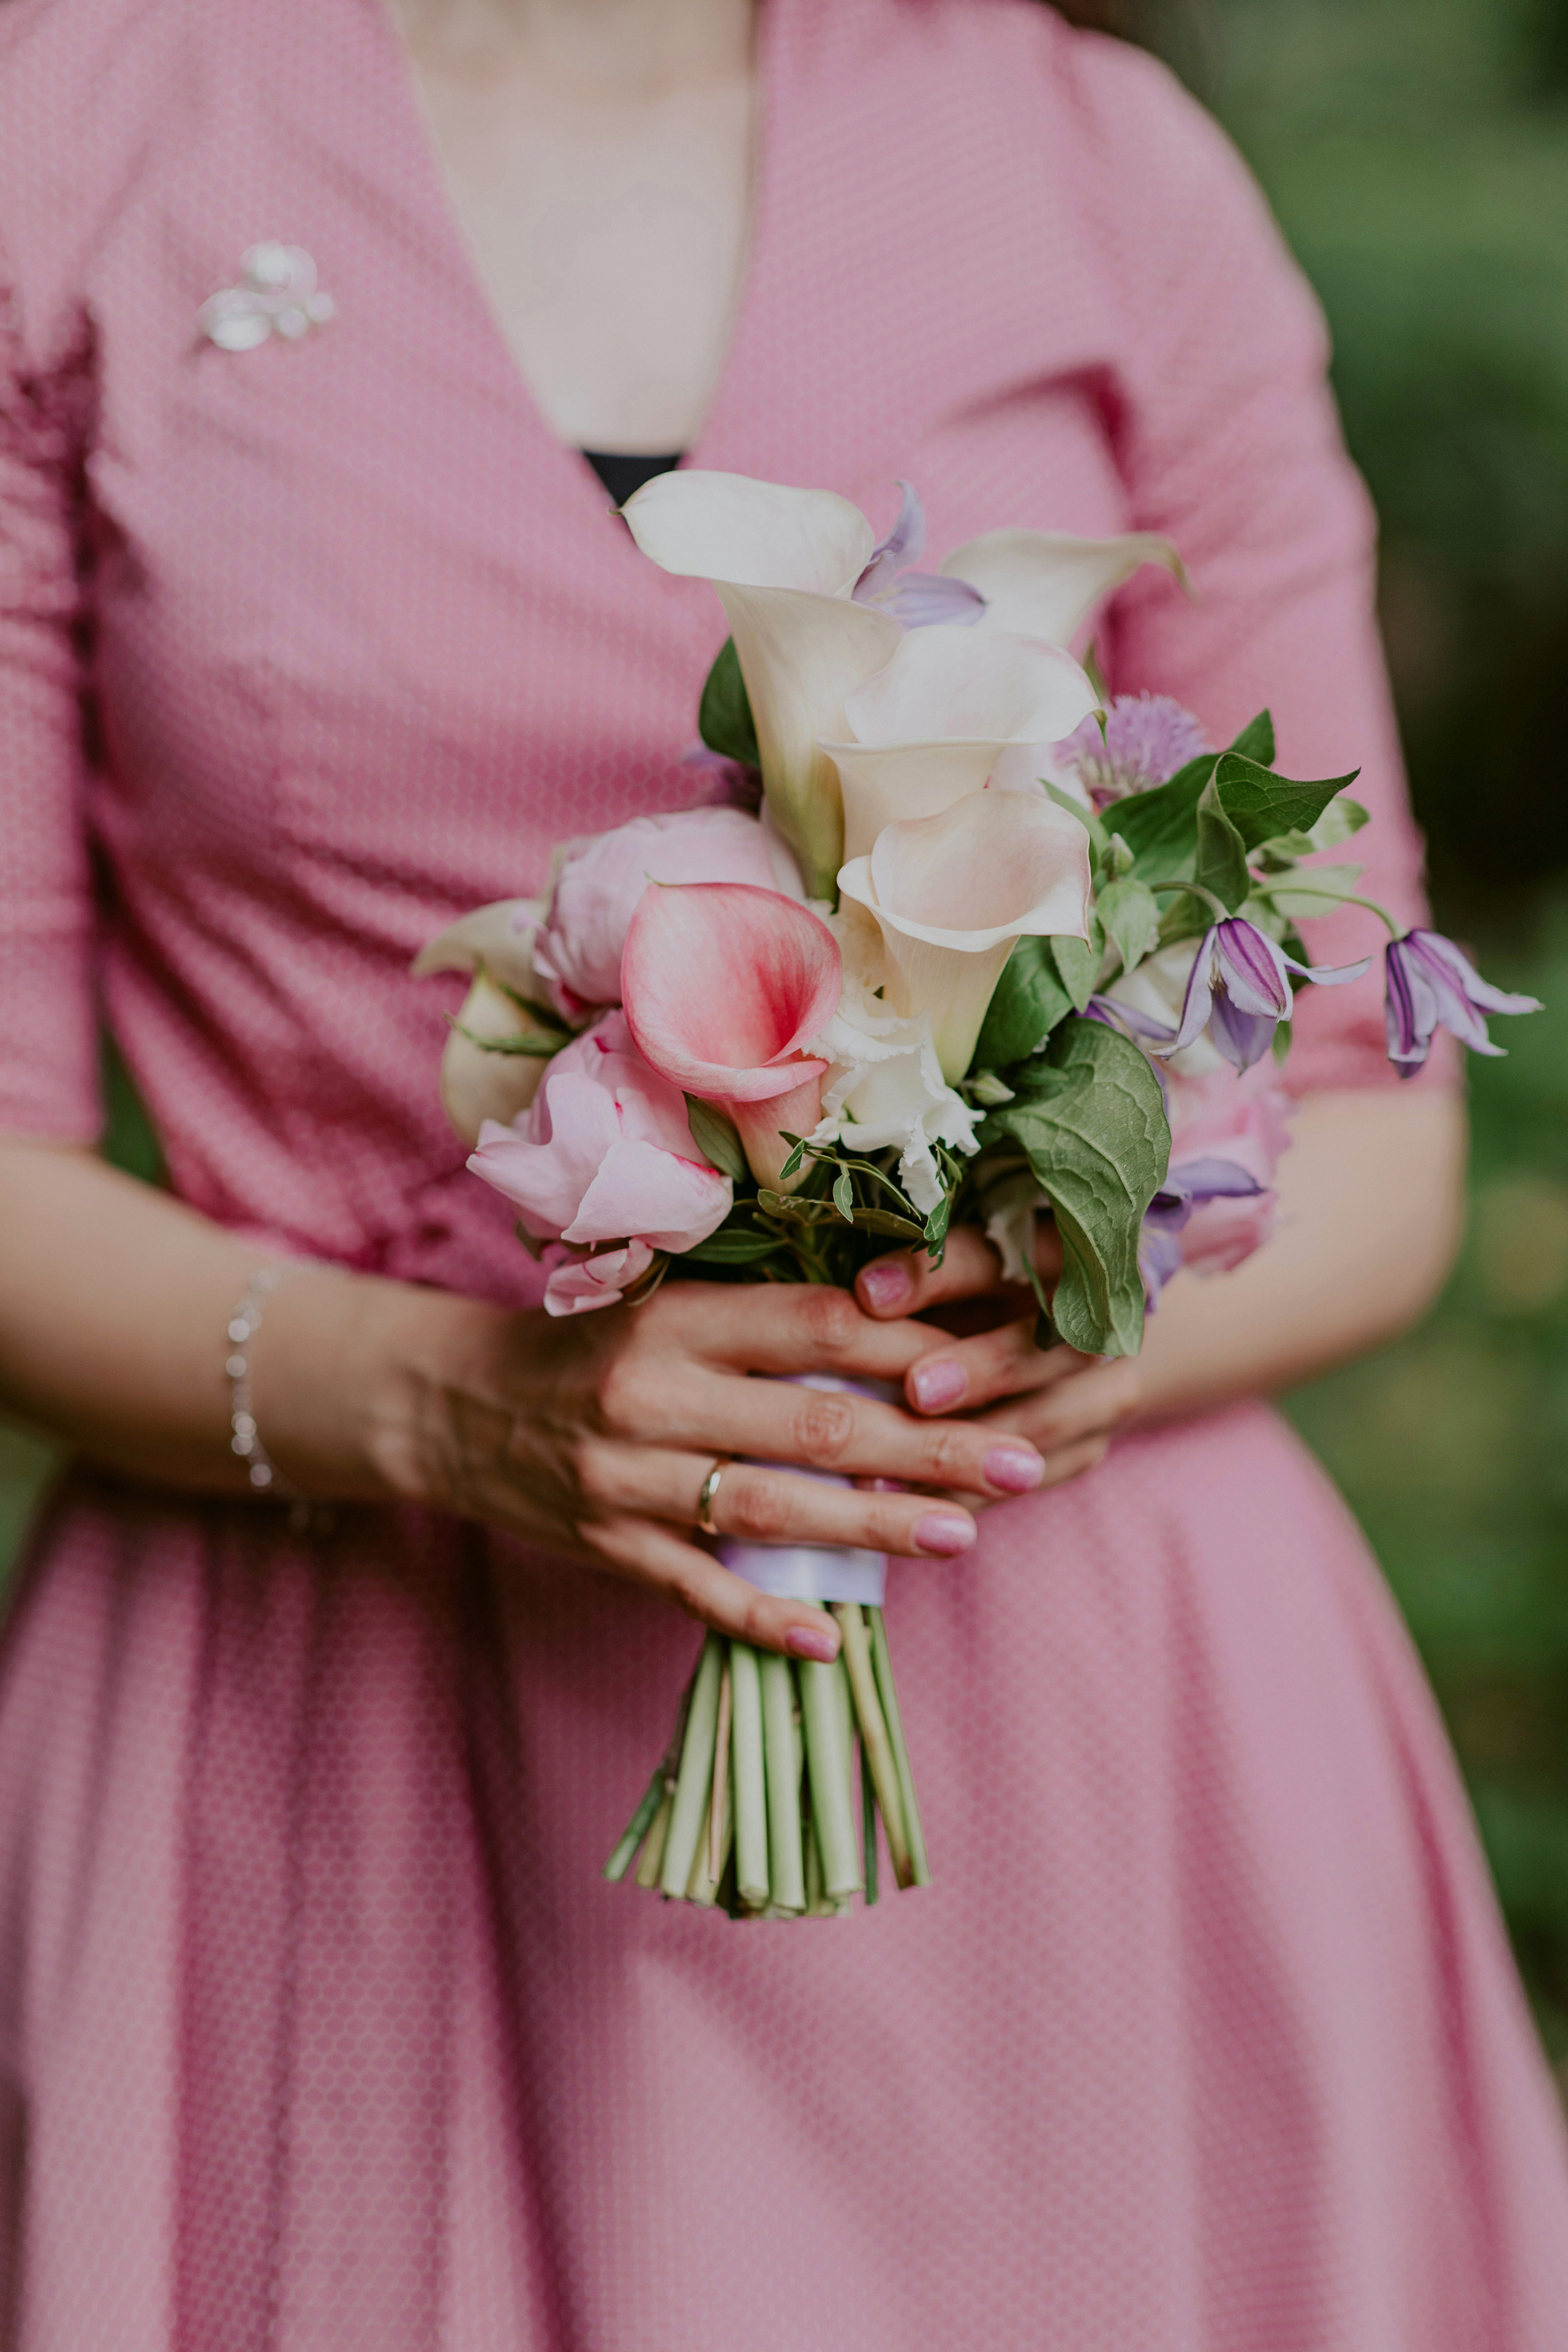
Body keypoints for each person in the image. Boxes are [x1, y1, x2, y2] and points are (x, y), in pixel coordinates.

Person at [1, 0, 1564, 2343]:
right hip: (343, 1723)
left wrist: (1030, 1333)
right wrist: (448, 1400)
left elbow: (1373, 1122)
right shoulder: (71, 136)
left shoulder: (1098, 165)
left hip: (1092, 1760)